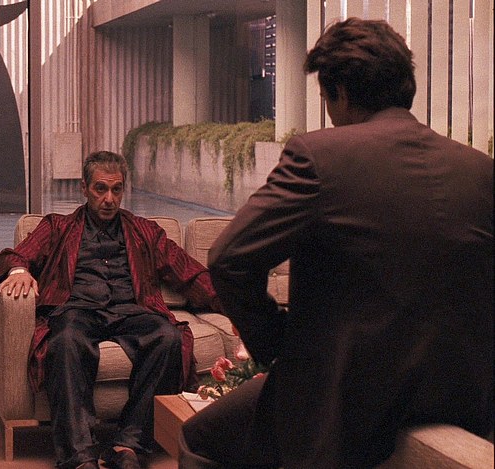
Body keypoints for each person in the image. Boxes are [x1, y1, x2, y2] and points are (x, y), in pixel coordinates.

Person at [179, 17, 493, 468]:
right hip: (462, 395)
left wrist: (279, 346)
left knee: (199, 438)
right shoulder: (480, 170)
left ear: (340, 94)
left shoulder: (318, 156)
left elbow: (229, 258)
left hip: (348, 399)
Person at [0, 150, 220, 469]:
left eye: (116, 189)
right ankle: (79, 455)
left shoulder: (144, 230)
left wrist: (236, 304)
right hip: (77, 310)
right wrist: (19, 271)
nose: (109, 199)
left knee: (168, 338)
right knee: (64, 342)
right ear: (84, 189)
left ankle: (128, 445)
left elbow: (188, 271)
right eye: (101, 189)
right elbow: (13, 255)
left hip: (132, 310)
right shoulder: (58, 227)